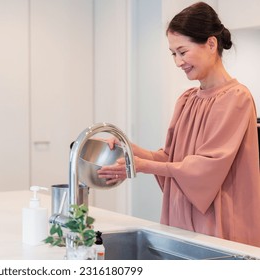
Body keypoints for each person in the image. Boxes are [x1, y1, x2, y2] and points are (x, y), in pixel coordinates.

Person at [97, 2, 260, 247]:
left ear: (211, 44)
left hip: (219, 224)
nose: (177, 61)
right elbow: (170, 159)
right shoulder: (186, 100)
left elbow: (205, 169)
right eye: (173, 53)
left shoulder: (236, 98)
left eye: (182, 51)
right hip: (182, 220)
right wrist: (129, 148)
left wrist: (141, 166)